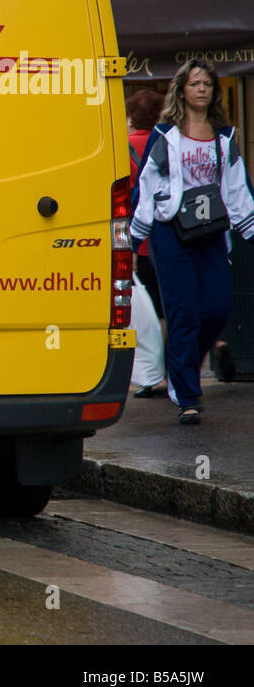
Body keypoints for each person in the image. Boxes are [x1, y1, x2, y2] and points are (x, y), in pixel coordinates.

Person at [129, 59, 254, 425]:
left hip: (211, 231)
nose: (201, 89)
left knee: (217, 308)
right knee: (183, 312)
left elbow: (235, 188)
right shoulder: (165, 135)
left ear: (214, 91)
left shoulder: (224, 135)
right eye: (194, 83)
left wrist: (249, 229)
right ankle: (186, 395)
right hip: (171, 233)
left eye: (207, 84)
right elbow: (147, 187)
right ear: (181, 89)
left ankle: (180, 365)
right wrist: (135, 239)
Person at [126, 88, 168, 398]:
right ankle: (175, 372)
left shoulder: (127, 147)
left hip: (140, 240)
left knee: (149, 308)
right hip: (169, 236)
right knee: (169, 308)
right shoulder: (166, 142)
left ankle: (155, 374)